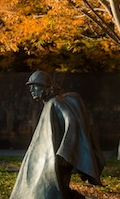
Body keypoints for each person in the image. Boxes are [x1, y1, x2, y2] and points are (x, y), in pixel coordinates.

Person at [10, 70, 105, 199]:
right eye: (30, 87)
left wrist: (65, 153)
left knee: (57, 188)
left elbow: (72, 121)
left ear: (45, 88)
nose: (32, 90)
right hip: (51, 158)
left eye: (35, 86)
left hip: (58, 158)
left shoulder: (55, 102)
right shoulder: (49, 104)